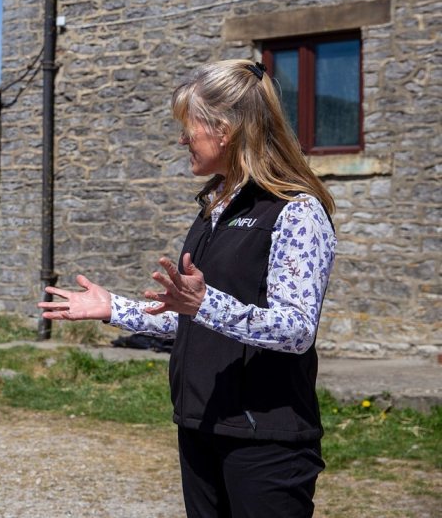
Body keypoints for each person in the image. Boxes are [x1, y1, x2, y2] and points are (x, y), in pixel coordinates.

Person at [39, 59, 337, 518]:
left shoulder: (297, 212)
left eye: (188, 127)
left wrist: (204, 303)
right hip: (201, 424)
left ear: (225, 129)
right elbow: (192, 322)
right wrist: (111, 308)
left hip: (266, 442)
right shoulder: (211, 211)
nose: (182, 140)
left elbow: (296, 330)